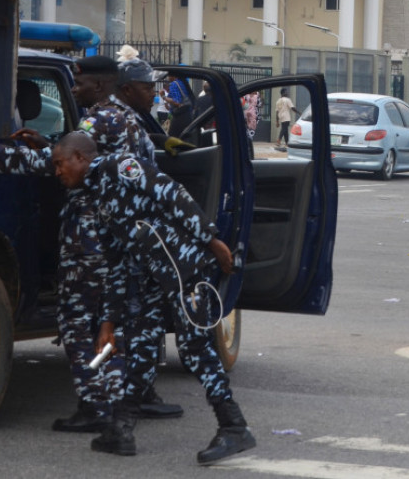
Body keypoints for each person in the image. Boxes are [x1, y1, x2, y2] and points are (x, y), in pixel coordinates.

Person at [0, 56, 180, 434]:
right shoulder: (129, 121)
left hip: (90, 240)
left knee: (79, 323)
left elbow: (55, 166)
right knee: (111, 323)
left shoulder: (98, 119)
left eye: (78, 84)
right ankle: (119, 405)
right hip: (121, 238)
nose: (74, 90)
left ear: (99, 86)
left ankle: (96, 408)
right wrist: (50, 142)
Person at [50, 132, 255, 464]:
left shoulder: (119, 167)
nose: (57, 172)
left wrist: (211, 238)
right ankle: (121, 429)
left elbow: (172, 193)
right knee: (142, 350)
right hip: (148, 281)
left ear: (80, 158)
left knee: (194, 350)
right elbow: (115, 265)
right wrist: (108, 322)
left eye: (60, 164)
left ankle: (234, 427)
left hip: (182, 268)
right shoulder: (97, 201)